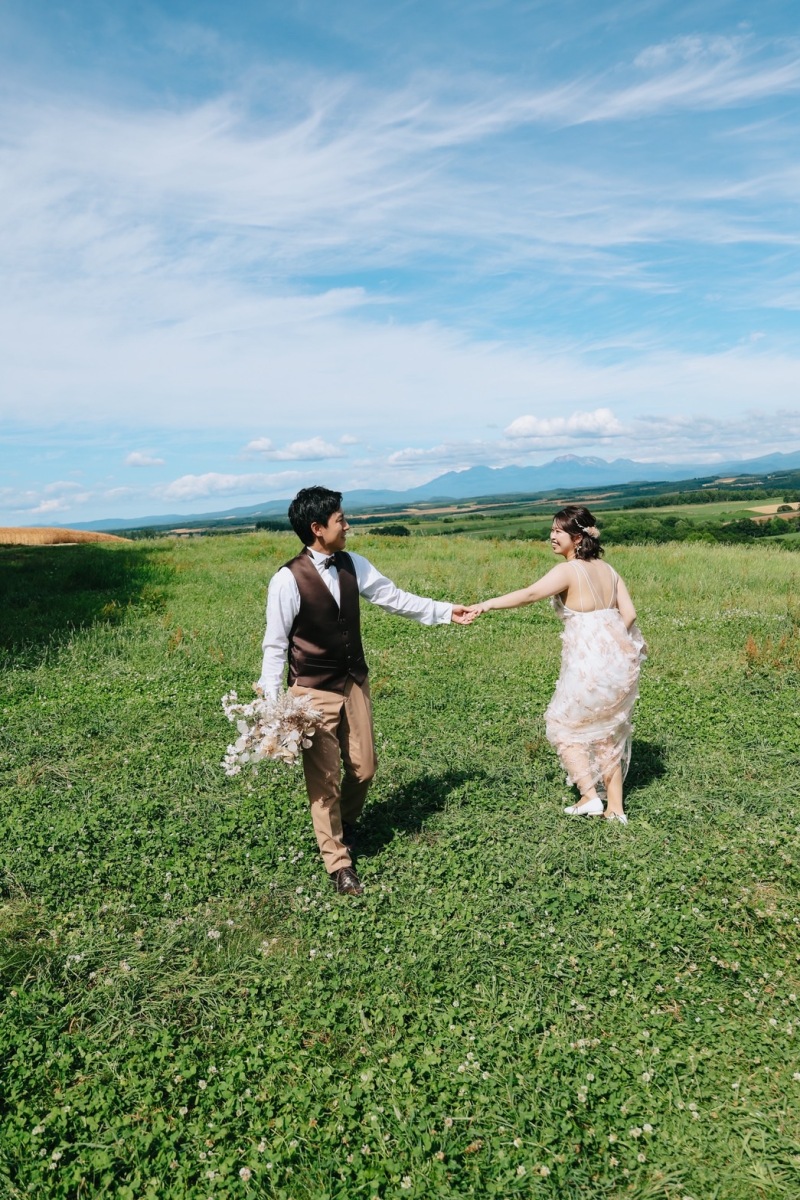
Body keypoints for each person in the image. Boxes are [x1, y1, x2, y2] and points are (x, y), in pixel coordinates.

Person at [258, 485, 474, 894]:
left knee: (365, 767)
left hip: (354, 680)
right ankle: (339, 864)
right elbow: (274, 647)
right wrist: (274, 711)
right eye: (341, 520)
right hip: (309, 693)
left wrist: (447, 611)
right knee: (325, 781)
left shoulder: (353, 564)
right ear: (317, 528)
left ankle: (347, 825)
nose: (348, 525)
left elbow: (396, 599)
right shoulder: (286, 580)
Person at [468, 506, 645, 823]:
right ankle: (615, 809)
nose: (551, 536)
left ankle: (590, 796)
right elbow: (629, 615)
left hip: (587, 664)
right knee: (606, 732)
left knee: (561, 725)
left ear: (577, 538)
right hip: (618, 663)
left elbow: (531, 593)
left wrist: (487, 604)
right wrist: (609, 639)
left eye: (557, 531)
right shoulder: (609, 570)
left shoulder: (569, 571)